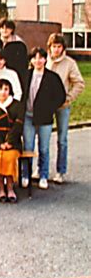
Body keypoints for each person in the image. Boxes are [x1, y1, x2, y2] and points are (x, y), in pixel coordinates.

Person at [22, 47, 66, 190]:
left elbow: (60, 97)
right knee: (28, 147)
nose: (38, 60)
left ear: (45, 59)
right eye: (35, 58)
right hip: (28, 116)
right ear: (31, 60)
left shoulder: (52, 77)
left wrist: (49, 108)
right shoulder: (26, 75)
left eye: (41, 58)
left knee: (44, 148)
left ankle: (43, 175)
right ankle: (26, 175)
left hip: (45, 118)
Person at [46, 33, 85, 184]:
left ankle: (60, 171)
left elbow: (79, 83)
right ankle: (42, 169)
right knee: (44, 138)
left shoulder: (69, 63)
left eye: (59, 47)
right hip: (47, 106)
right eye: (53, 46)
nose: (56, 50)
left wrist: (68, 98)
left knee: (62, 139)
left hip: (62, 105)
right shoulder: (44, 60)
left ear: (63, 48)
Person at [0, 79, 24, 203]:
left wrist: (9, 142)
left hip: (13, 141)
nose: (3, 92)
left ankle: (10, 187)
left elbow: (18, 125)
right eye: (0, 89)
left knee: (9, 157)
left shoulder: (17, 105)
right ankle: (1, 187)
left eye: (6, 89)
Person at [0, 18, 28, 88]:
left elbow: (23, 65)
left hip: (16, 78)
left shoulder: (20, 45)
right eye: (2, 28)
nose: (4, 30)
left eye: (7, 28)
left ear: (12, 29)